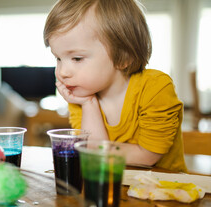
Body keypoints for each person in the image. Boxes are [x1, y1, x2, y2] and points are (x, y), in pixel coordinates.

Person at [43, 0, 187, 172]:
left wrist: (94, 150)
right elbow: (96, 156)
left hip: (164, 189)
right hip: (110, 184)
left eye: (77, 58)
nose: (63, 72)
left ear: (124, 57)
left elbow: (147, 157)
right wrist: (89, 104)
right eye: (58, 58)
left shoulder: (155, 88)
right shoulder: (82, 96)